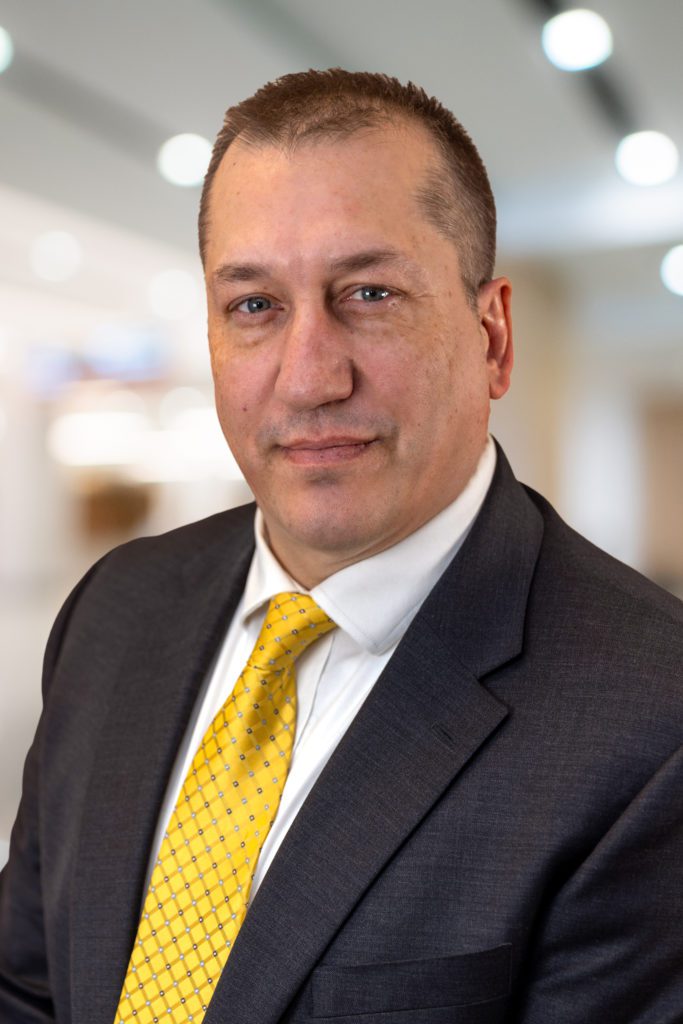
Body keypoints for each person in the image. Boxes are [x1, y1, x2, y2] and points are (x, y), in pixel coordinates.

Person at [1, 69, 681, 1024]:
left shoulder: (651, 720)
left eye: (368, 293)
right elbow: (29, 985)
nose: (308, 378)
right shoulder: (118, 605)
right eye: (254, 306)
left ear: (491, 338)